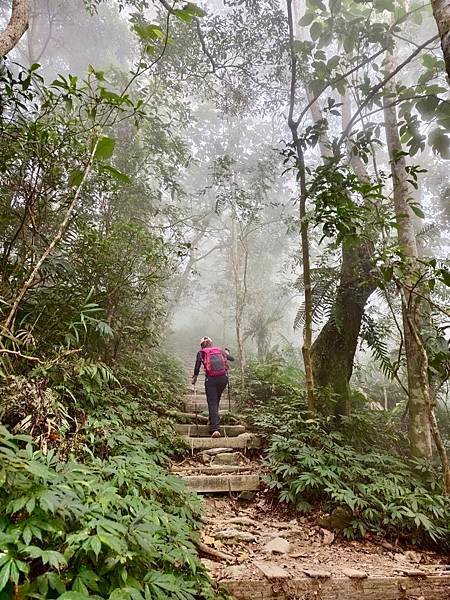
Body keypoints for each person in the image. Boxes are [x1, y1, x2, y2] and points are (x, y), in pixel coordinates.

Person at [191, 336, 234, 438]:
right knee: (215, 400)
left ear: (202, 345)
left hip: (211, 380)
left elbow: (197, 366)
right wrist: (226, 353)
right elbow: (232, 359)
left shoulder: (201, 353)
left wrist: (195, 378)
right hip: (223, 379)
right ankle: (212, 420)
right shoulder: (219, 350)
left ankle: (215, 429)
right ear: (211, 343)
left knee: (212, 402)